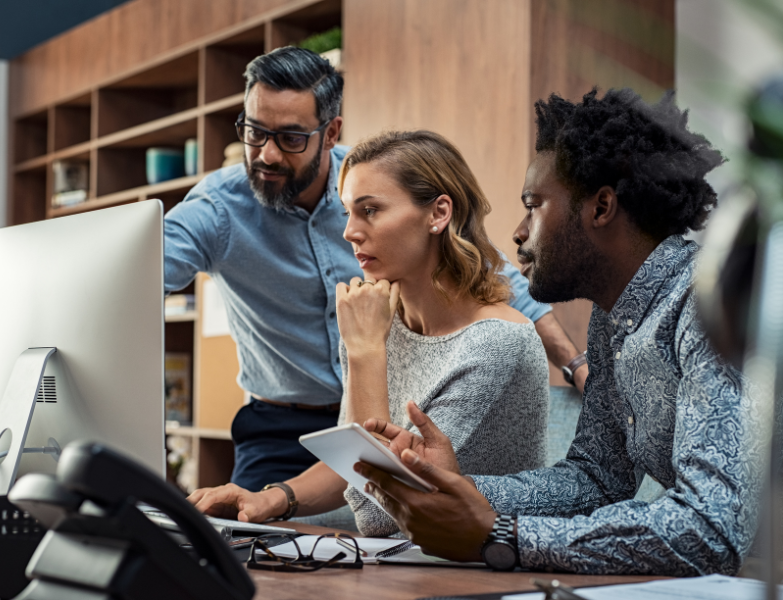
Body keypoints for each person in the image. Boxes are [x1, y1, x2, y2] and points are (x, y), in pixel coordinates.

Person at [354, 88, 763, 576]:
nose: (519, 233)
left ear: (601, 206)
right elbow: (596, 480)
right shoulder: (613, 318)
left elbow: (708, 528)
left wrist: (502, 536)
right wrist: (457, 485)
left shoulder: (705, 306)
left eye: (534, 205)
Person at [164, 45, 586, 493]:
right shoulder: (218, 209)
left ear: (330, 133)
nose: (266, 155)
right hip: (279, 426)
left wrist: (577, 364)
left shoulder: (377, 180)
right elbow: (137, 277)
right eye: (254, 132)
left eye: (290, 138)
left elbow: (500, 281)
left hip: (388, 413)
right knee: (245, 542)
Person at [188, 130, 549, 535]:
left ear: (438, 213)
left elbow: (381, 513)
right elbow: (351, 461)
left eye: (370, 210)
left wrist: (364, 352)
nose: (349, 232)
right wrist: (272, 498)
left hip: (481, 572)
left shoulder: (497, 343)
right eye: (347, 213)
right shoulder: (378, 322)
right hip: (407, 562)